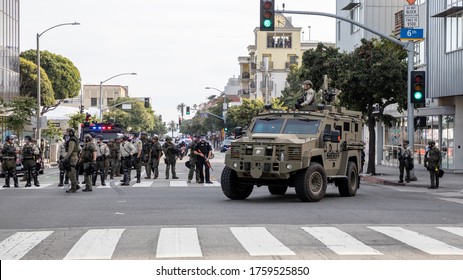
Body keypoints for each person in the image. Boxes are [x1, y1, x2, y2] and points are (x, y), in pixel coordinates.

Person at [61, 128, 80, 193]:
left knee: (71, 173)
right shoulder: (74, 139)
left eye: (67, 132)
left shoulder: (72, 140)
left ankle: (74, 187)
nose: (66, 133)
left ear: (71, 132)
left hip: (72, 157)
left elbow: (70, 150)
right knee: (71, 172)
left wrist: (65, 158)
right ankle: (75, 186)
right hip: (74, 157)